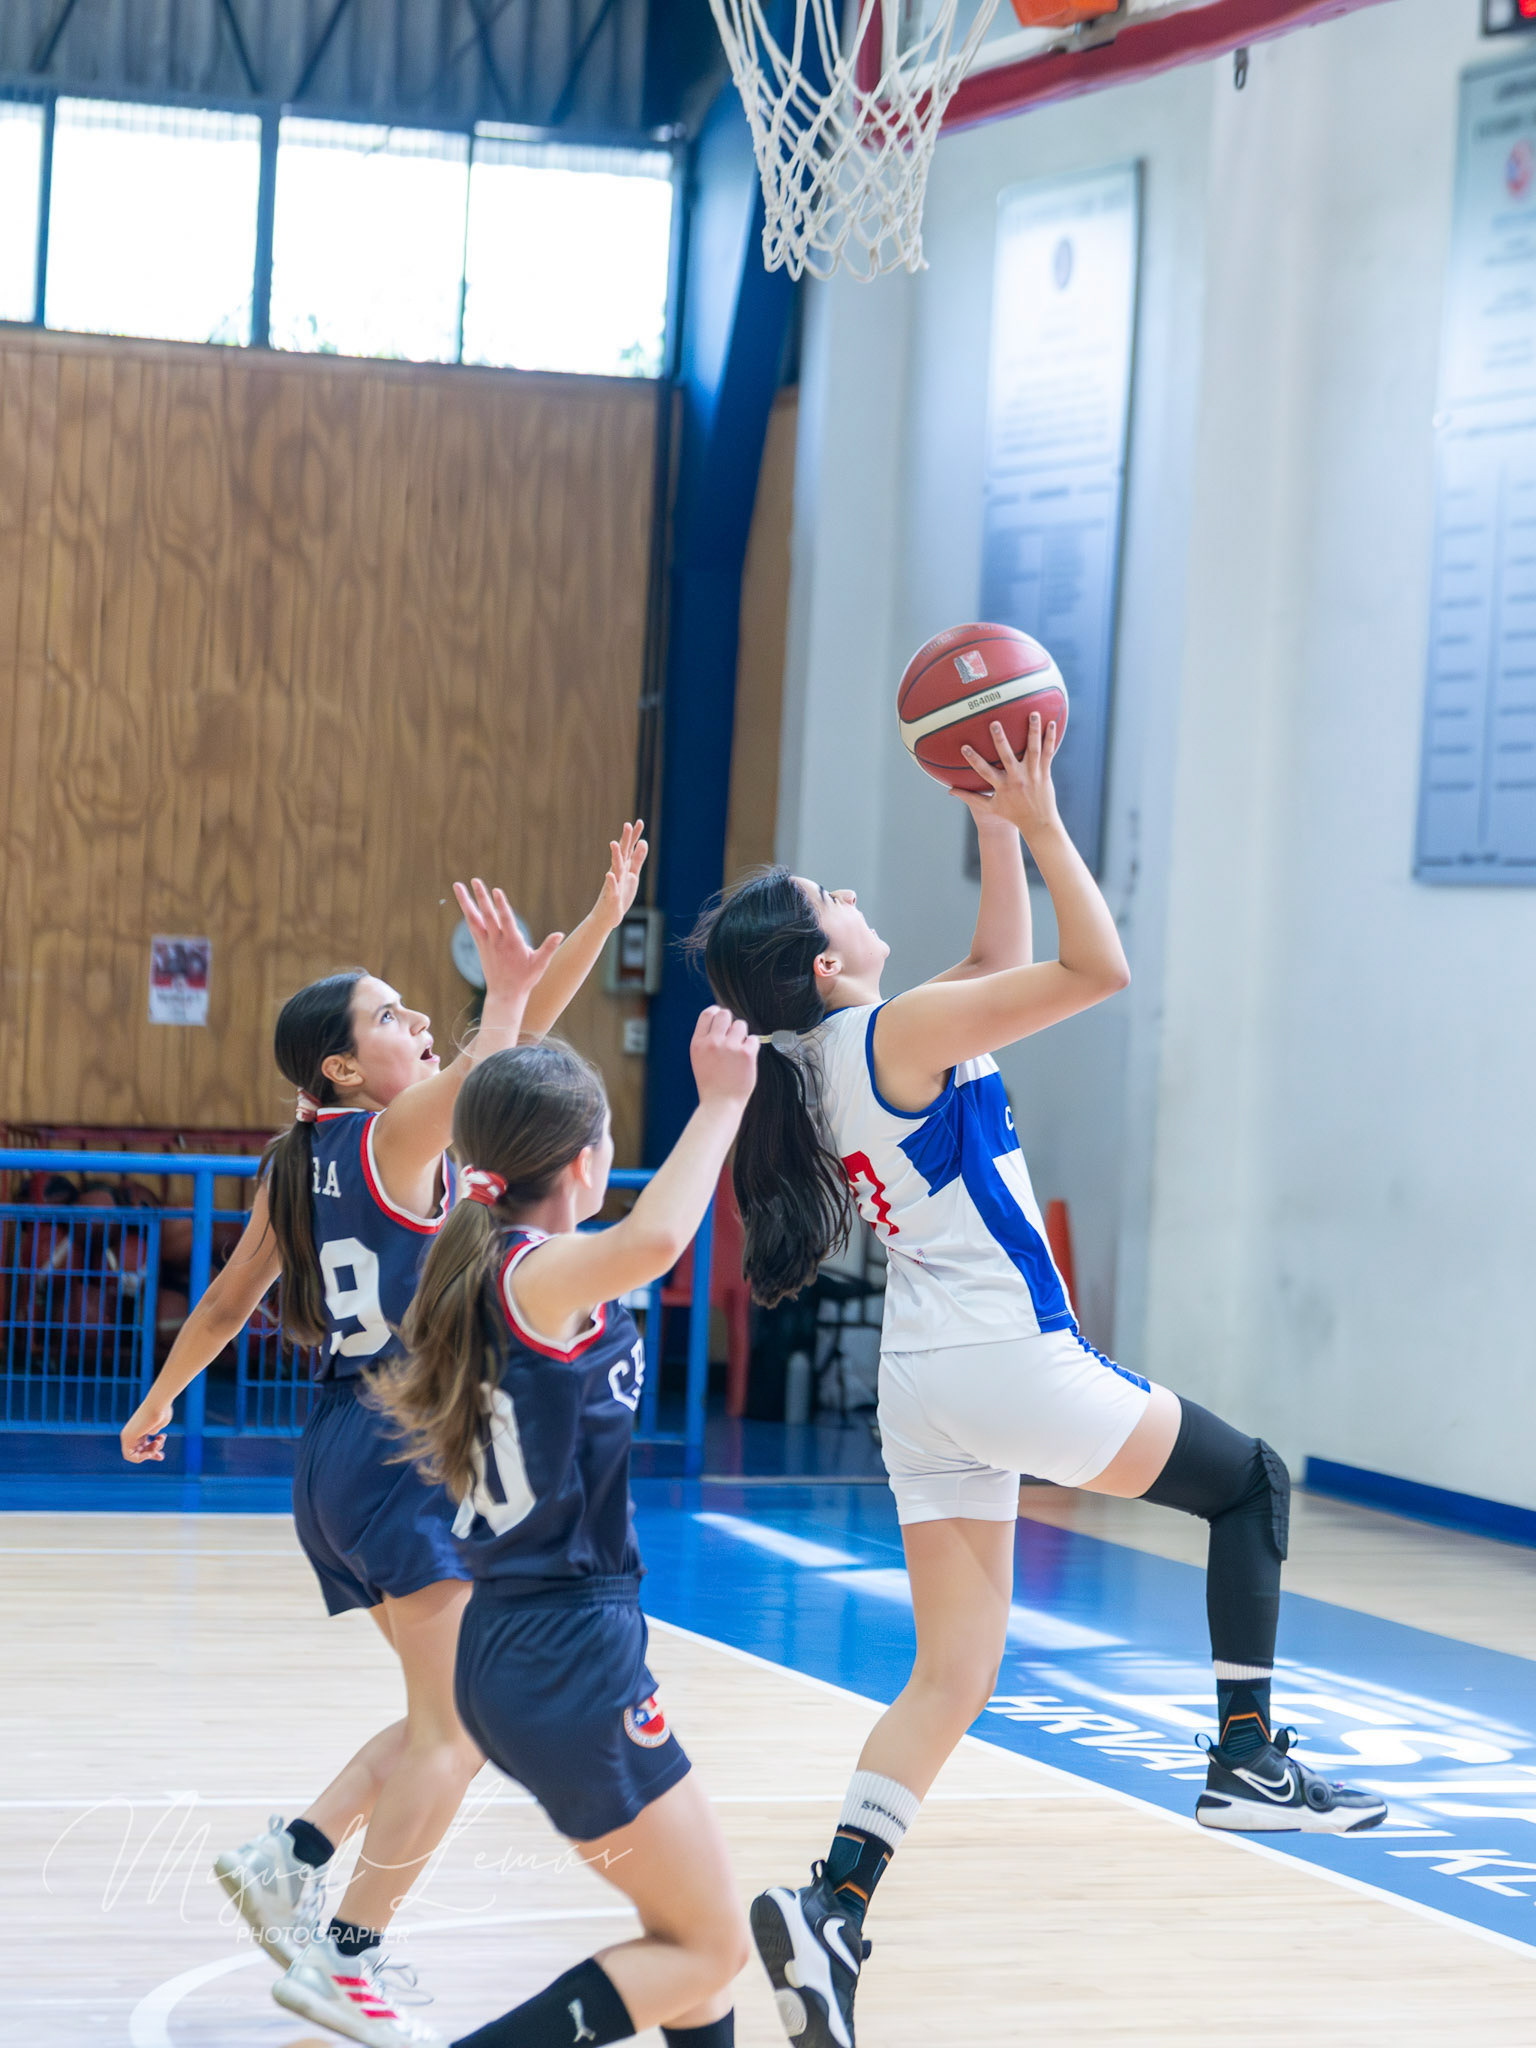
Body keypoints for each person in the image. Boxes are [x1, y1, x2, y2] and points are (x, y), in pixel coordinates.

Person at [692, 718, 1386, 2048]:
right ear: (825, 962)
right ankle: (1247, 1756)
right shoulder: (899, 1030)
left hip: (924, 1381)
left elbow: (1002, 960)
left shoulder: (831, 1058)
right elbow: (1095, 968)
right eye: (833, 896)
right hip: (1008, 1357)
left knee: (952, 1675)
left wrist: (995, 827)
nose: (853, 891)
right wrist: (1051, 820)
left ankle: (833, 1907)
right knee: (1251, 1484)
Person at [120, 826, 647, 2048]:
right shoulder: (396, 1136)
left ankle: (292, 1853)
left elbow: (226, 1300)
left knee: (446, 1715)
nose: (417, 1023)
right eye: (393, 1016)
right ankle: (343, 1954)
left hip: (339, 1456)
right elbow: (501, 1049)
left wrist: (156, 1400)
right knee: (462, 1728)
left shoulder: (299, 1158)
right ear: (344, 1067)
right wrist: (521, 981)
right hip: (404, 1447)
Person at [370, 1009, 758, 2048]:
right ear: (586, 1163)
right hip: (563, 1650)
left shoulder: (489, 1260)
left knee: (694, 1943)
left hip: (525, 1639)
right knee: (708, 1949)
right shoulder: (534, 1273)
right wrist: (722, 1101)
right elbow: (658, 1240)